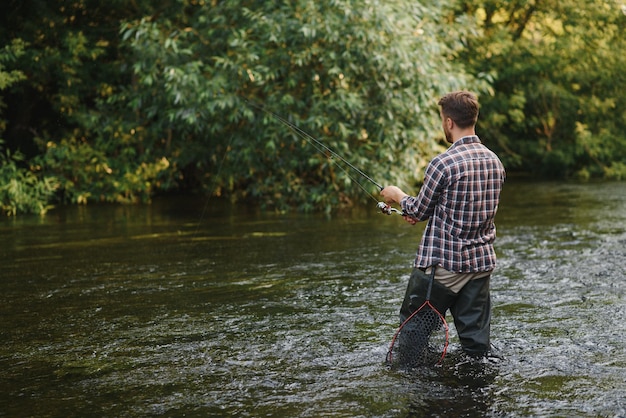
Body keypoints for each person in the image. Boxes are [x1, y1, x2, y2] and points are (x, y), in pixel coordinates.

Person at [381, 90, 505, 359]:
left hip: (442, 268)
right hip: (480, 265)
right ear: (474, 117)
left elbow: (418, 209)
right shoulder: (495, 162)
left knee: (412, 337)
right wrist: (425, 212)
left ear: (448, 122)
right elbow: (463, 206)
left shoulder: (443, 163)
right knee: (476, 349)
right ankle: (476, 395)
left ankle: (418, 392)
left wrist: (397, 195)